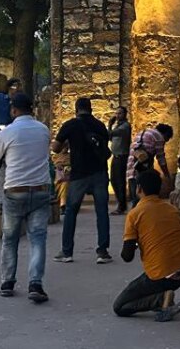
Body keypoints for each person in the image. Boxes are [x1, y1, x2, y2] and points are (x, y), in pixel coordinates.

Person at [0, 92, 52, 302]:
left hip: (15, 190)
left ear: (13, 110)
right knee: (38, 238)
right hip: (40, 189)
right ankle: (35, 283)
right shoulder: (43, 129)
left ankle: (7, 281)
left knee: (10, 238)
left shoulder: (8, 132)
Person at [114, 170, 180, 322]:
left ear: (139, 189)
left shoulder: (135, 214)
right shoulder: (173, 210)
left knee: (120, 306)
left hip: (161, 273)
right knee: (149, 283)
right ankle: (164, 299)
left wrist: (137, 241)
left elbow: (127, 256)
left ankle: (161, 300)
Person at [52, 97, 113, 264]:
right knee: (102, 212)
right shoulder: (100, 125)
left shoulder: (71, 125)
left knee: (71, 211)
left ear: (76, 109)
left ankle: (67, 251)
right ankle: (102, 251)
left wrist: (65, 143)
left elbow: (56, 148)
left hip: (79, 173)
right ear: (91, 109)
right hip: (99, 172)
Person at [127, 123, 174, 206]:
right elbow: (161, 158)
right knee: (145, 196)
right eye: (168, 138)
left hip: (131, 167)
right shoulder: (159, 137)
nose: (166, 141)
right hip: (143, 169)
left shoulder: (142, 133)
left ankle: (134, 214)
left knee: (135, 194)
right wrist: (166, 174)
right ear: (166, 134)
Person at [109, 106, 132, 214]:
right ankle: (121, 204)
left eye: (120, 114)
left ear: (125, 114)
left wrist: (109, 124)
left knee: (119, 181)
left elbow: (111, 134)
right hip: (116, 156)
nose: (117, 116)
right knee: (114, 180)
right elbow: (110, 138)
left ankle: (122, 206)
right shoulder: (118, 126)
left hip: (122, 157)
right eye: (116, 113)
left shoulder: (125, 126)